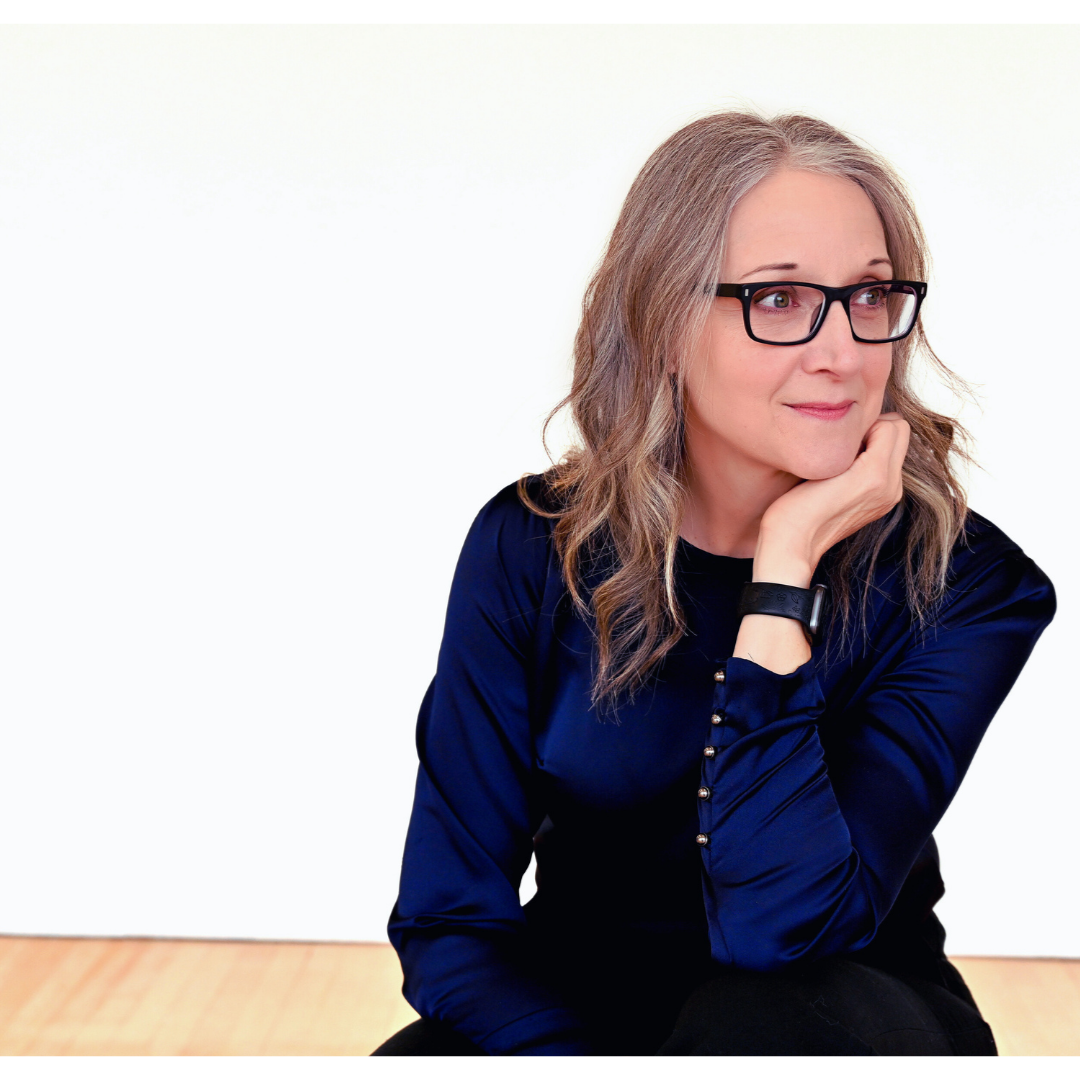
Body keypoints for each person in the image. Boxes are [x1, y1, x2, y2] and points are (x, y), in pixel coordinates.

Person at [374, 112, 1055, 1056]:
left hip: (833, 1018)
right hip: (587, 1016)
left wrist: (784, 575)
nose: (843, 351)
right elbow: (450, 918)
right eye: (778, 299)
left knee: (750, 1026)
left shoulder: (968, 585)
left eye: (869, 296)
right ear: (662, 322)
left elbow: (784, 930)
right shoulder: (531, 547)